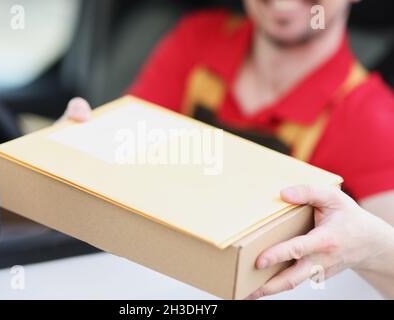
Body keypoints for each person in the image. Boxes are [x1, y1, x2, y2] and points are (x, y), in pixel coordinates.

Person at [59, 0, 394, 298]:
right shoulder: (196, 42)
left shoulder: (372, 118)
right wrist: (70, 148)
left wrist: (375, 248)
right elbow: (117, 158)